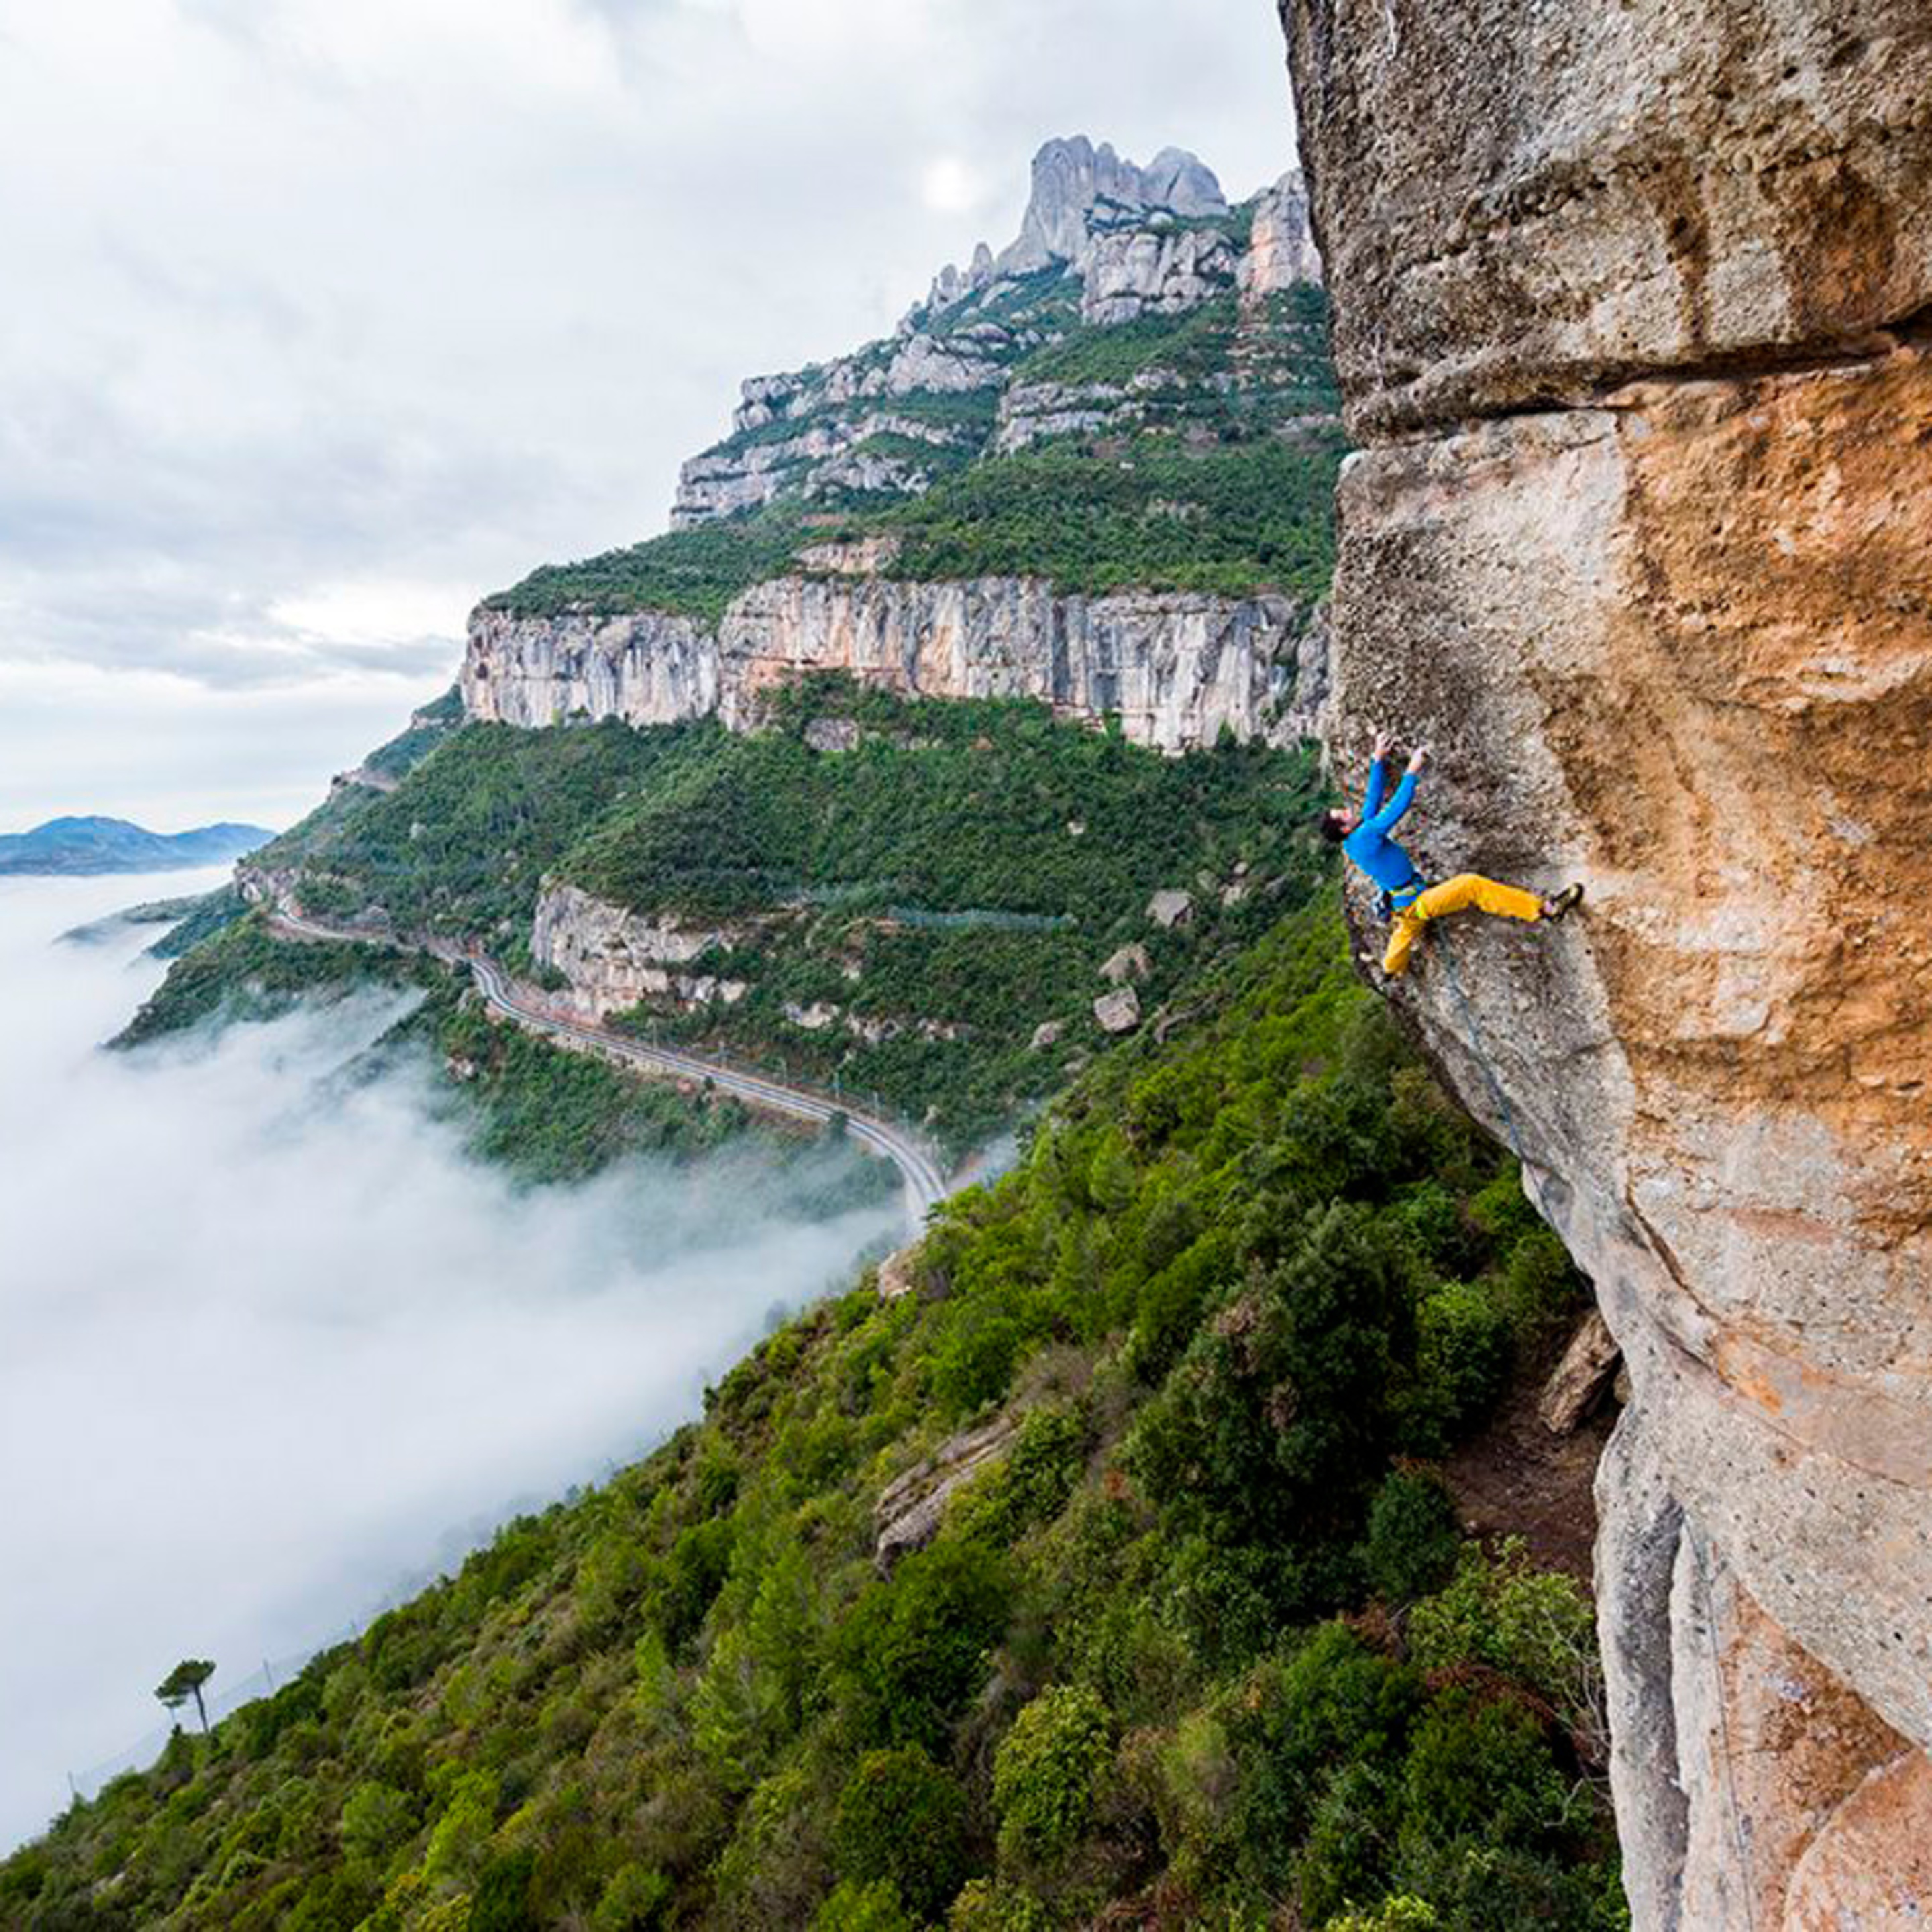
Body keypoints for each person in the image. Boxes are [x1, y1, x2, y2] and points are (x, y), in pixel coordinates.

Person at [1319, 731, 1583, 977]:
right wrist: (1412, 771)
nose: (1345, 810)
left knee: (1405, 933)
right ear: (1344, 828)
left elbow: (1371, 802)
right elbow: (1394, 810)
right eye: (1341, 815)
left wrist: (1378, 760)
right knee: (1471, 885)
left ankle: (1390, 969)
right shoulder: (1363, 836)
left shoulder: (1353, 840)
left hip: (1405, 903)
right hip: (1416, 902)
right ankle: (1546, 910)